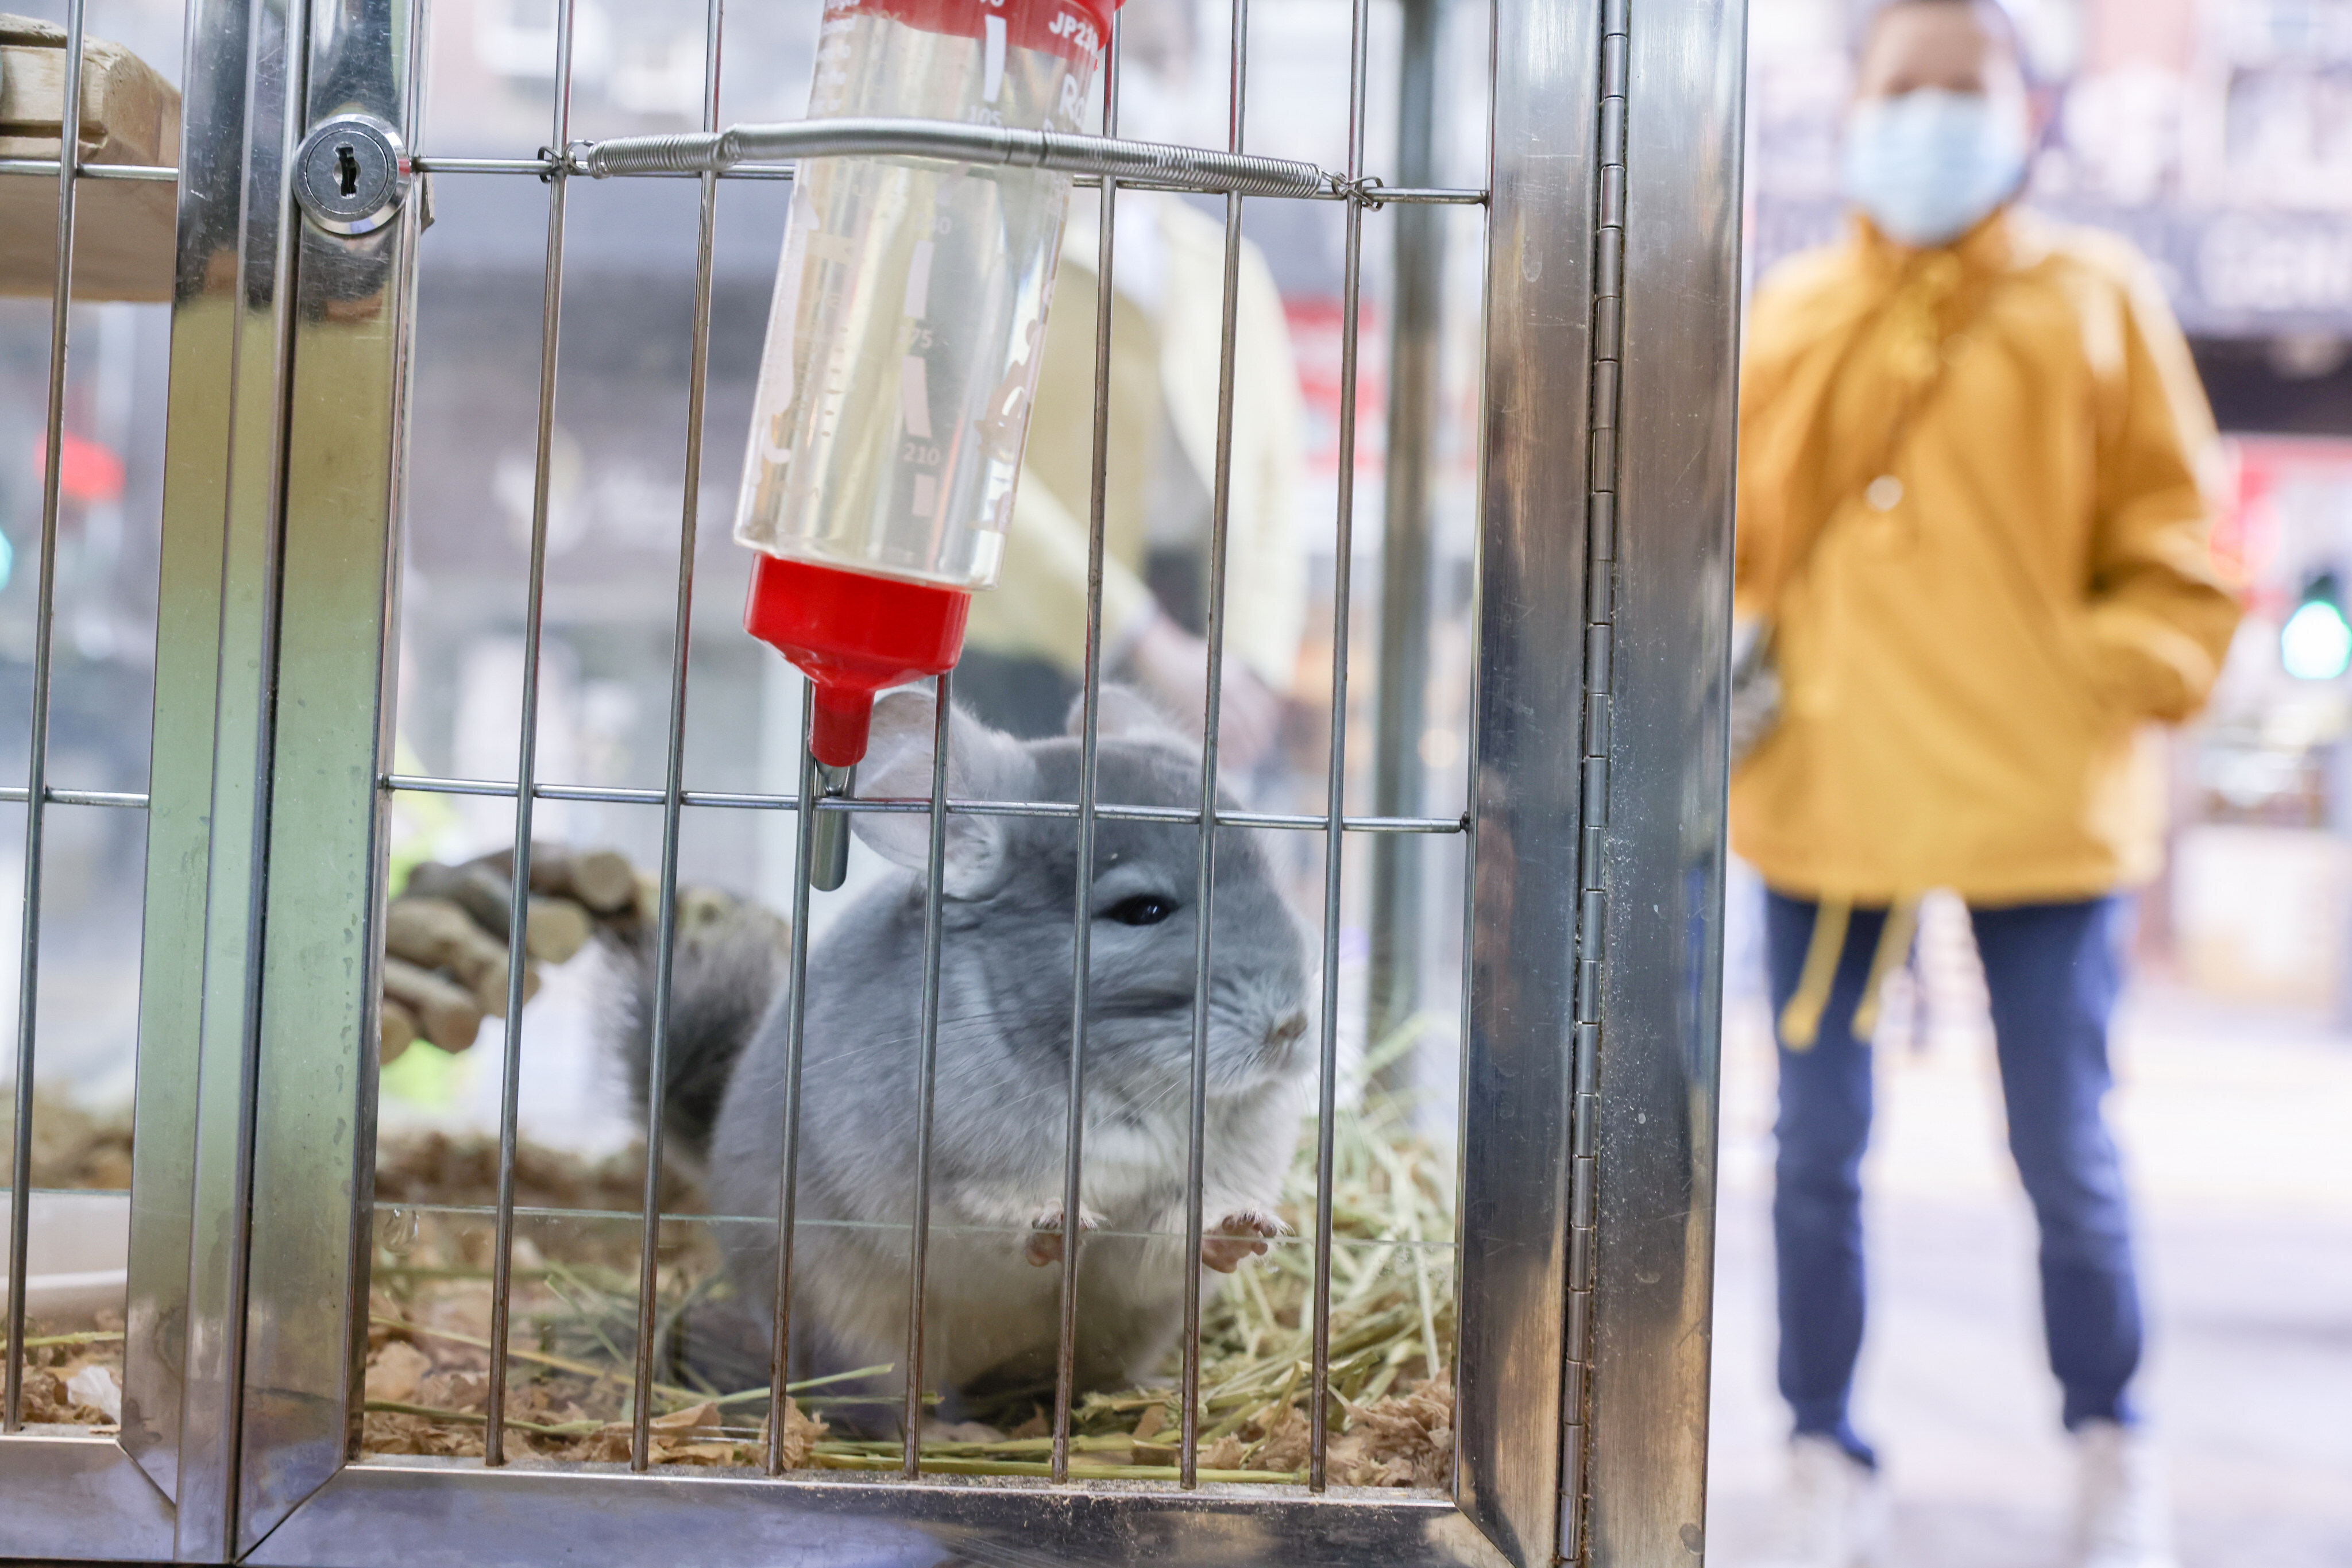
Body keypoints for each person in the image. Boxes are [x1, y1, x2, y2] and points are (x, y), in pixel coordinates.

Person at [1732, 3, 2242, 1567]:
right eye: (1909, 88)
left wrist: (2089, 676)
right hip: (1829, 797)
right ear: (1854, 108)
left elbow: (2181, 554)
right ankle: (1821, 1450)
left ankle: (2113, 1443)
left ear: (2028, 110)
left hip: (2040, 803)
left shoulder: (2101, 299)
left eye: (1969, 87)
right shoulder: (1795, 310)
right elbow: (1726, 547)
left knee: (2065, 1147)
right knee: (1813, 1150)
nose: (1938, 116)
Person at [955, 0, 1306, 779]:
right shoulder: (1001, 244)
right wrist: (1139, 633)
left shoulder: (1228, 270)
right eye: (1104, 52)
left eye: (1152, 58)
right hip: (1024, 654)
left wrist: (1251, 663)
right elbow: (976, 468)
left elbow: (1280, 480)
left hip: (1204, 665)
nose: (1126, 84)